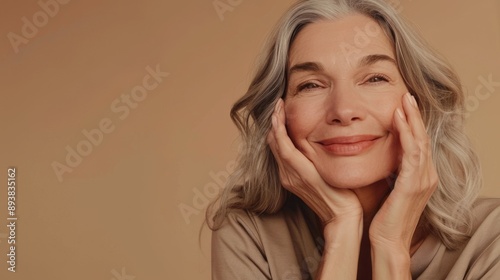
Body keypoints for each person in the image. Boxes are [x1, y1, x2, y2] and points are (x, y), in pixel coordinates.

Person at [206, 0, 500, 279]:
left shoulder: (492, 239)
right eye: (310, 85)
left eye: (374, 79)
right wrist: (342, 227)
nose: (344, 111)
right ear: (277, 114)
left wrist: (390, 245)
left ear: (419, 102)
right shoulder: (249, 233)